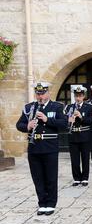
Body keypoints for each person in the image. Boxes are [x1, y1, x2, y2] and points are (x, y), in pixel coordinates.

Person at [16, 82, 67, 216]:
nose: (40, 96)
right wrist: (27, 126)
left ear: (48, 93)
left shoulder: (57, 107)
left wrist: (46, 120)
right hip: (34, 147)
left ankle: (51, 203)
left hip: (49, 147)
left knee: (50, 176)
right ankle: (42, 203)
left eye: (43, 93)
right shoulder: (29, 108)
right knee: (37, 177)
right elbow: (19, 124)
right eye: (38, 93)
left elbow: (64, 124)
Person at [65, 86, 92, 187]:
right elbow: (65, 122)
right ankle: (76, 178)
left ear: (83, 96)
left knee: (85, 158)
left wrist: (81, 117)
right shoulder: (69, 107)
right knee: (75, 159)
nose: (78, 98)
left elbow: (91, 122)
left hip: (85, 136)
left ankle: (85, 178)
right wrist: (69, 120)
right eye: (76, 96)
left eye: (80, 96)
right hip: (73, 136)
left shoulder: (89, 107)